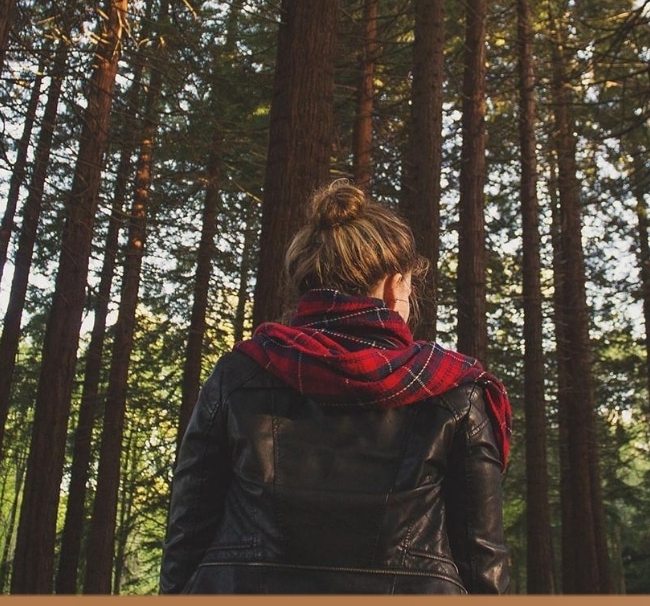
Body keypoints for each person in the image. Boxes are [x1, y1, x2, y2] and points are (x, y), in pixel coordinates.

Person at [159, 180, 512, 594]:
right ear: (392, 284)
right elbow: (482, 562)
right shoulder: (454, 389)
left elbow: (187, 534)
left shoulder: (241, 374)